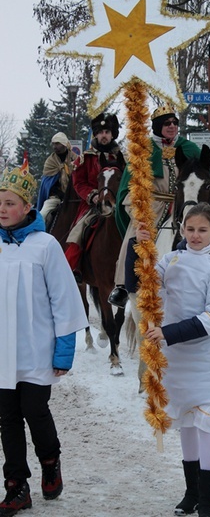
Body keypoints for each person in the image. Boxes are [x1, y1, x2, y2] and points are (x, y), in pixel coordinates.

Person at [127, 202, 210, 517]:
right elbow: (146, 283)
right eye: (190, 229)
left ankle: (207, 501)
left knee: (205, 422)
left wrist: (168, 333)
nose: (196, 236)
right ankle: (190, 493)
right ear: (181, 230)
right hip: (175, 357)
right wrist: (142, 246)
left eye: (202, 230)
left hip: (206, 357)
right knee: (185, 421)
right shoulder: (172, 259)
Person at [0, 166, 88, 515]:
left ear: (26, 207)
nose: (3, 209)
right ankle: (16, 485)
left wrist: (64, 350)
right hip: (3, 352)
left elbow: (64, 300)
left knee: (34, 410)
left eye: (9, 203)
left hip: (36, 349)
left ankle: (50, 460)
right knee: (6, 418)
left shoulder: (46, 246)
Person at [108, 103, 210, 308]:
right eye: (167, 123)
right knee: (137, 234)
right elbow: (128, 187)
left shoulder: (189, 148)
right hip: (152, 203)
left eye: (175, 123)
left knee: (207, 230)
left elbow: (207, 174)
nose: (172, 126)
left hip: (185, 199)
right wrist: (138, 209)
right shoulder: (143, 150)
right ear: (157, 126)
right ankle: (124, 286)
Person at [64, 112, 126, 282]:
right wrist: (92, 196)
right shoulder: (85, 158)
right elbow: (79, 183)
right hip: (92, 205)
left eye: (107, 132)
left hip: (118, 203)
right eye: (100, 132)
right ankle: (74, 268)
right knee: (78, 231)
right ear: (96, 134)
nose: (104, 135)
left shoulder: (123, 158)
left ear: (112, 134)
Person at [37, 132, 77, 222]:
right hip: (56, 198)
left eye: (57, 143)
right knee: (42, 215)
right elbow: (48, 185)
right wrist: (61, 195)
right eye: (53, 144)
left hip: (75, 197)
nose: (55, 146)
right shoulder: (50, 161)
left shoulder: (75, 159)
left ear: (64, 144)